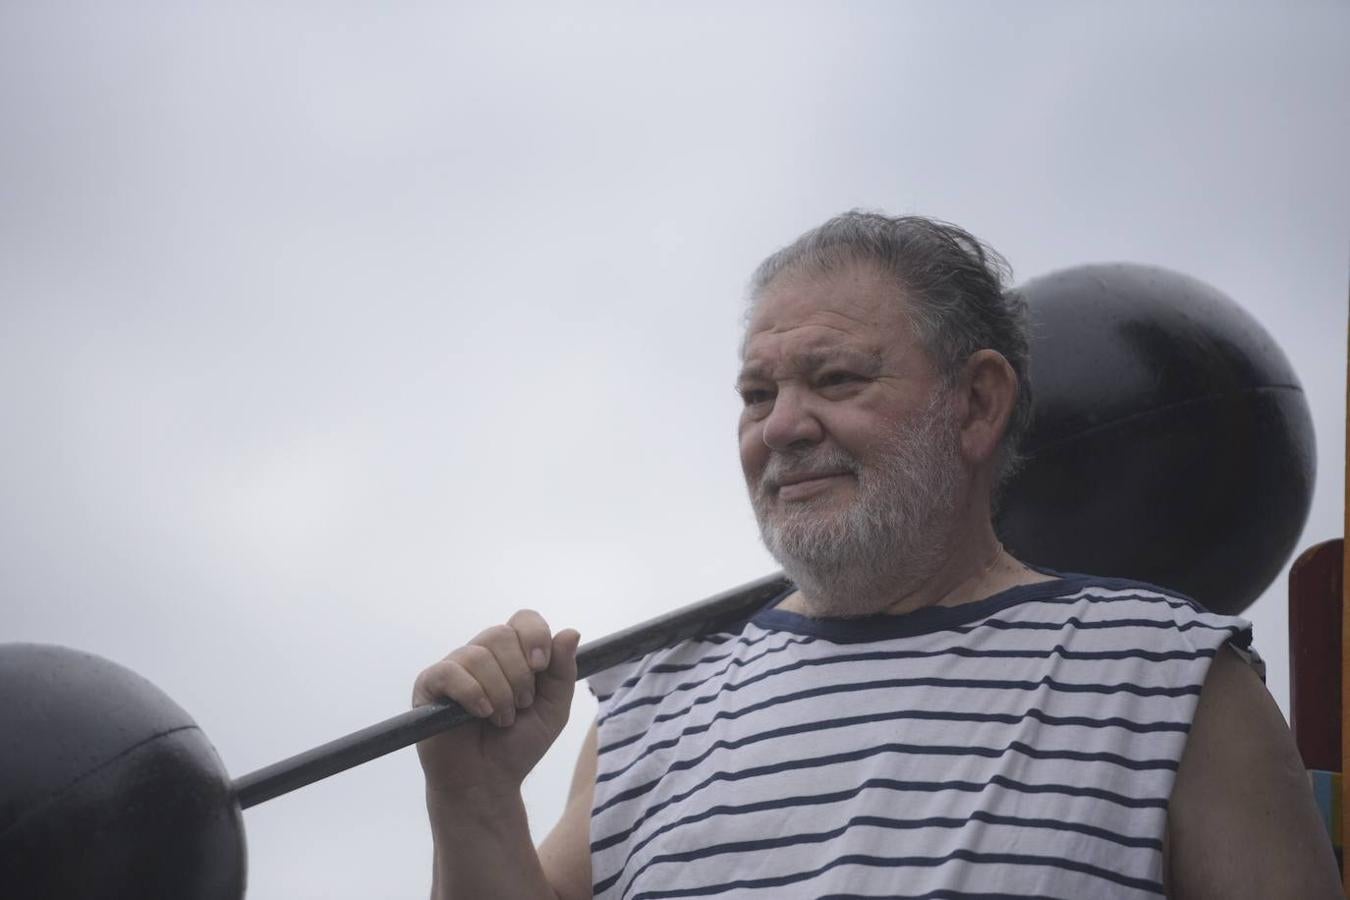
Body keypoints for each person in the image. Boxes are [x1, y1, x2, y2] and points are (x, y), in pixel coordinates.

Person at [411, 212, 1341, 898]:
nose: (781, 427)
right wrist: (477, 798)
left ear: (977, 405)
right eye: (755, 391)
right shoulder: (653, 708)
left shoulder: (1172, 682)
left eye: (836, 379)